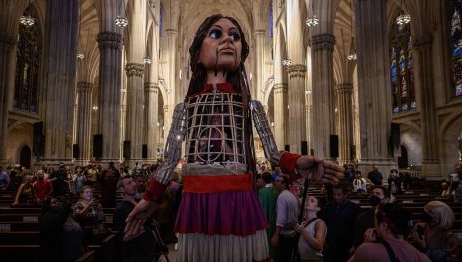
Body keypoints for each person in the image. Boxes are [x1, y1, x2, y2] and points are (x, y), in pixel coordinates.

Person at [124, 14, 344, 262]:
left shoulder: (251, 106)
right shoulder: (185, 108)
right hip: (198, 204)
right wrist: (150, 198)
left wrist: (298, 162)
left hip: (238, 203)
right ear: (198, 52)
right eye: (216, 34)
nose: (228, 39)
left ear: (241, 54)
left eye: (235, 36)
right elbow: (169, 161)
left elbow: (272, 153)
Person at [350, 203, 430, 262]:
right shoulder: (422, 257)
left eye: (375, 221)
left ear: (383, 226)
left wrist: (365, 243)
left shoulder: (367, 250)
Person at [114, 176, 156, 262]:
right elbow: (123, 236)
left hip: (148, 250)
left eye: (133, 181)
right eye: (129, 183)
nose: (134, 184)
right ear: (122, 189)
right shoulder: (120, 209)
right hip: (135, 253)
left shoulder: (140, 203)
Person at [319, 184, 360, 262]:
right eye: (334, 194)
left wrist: (354, 245)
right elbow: (322, 222)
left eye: (339, 195)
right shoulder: (328, 206)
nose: (335, 197)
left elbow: (357, 227)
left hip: (346, 245)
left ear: (345, 195)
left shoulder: (354, 208)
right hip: (329, 244)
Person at [37, 196, 85, 262]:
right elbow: (57, 221)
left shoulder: (68, 216)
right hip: (58, 256)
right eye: (54, 202)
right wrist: (67, 206)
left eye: (59, 202)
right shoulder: (47, 217)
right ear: (48, 206)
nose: (58, 203)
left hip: (77, 251)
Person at [272, 174, 300, 261]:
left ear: (284, 184)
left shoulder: (282, 197)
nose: (275, 183)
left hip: (286, 236)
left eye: (277, 181)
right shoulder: (290, 195)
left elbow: (281, 218)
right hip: (292, 234)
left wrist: (276, 235)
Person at [295, 196, 326, 262]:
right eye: (307, 200)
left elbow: (319, 245)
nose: (308, 201)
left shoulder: (319, 223)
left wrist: (303, 231)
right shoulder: (303, 223)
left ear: (318, 208)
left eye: (312, 201)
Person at [258, 172, 277, 258]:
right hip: (276, 221)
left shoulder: (262, 192)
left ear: (263, 180)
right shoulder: (276, 191)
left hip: (265, 221)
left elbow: (261, 209)